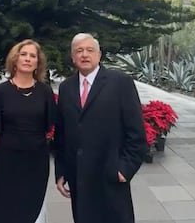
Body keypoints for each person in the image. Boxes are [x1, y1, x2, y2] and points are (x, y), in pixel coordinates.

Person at [54, 33, 147, 223]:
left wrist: (125, 169)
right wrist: (61, 171)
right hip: (79, 178)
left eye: (90, 50)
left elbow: (136, 132)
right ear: (73, 57)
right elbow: (62, 134)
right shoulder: (66, 87)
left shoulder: (120, 82)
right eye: (79, 51)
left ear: (99, 54)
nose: (85, 55)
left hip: (111, 176)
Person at [0, 39, 56, 223]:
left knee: (32, 208)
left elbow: (49, 127)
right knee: (4, 208)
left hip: (36, 161)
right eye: (23, 54)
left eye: (33, 56)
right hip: (6, 161)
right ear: (15, 59)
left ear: (37, 63)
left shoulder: (45, 92)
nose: (27, 59)